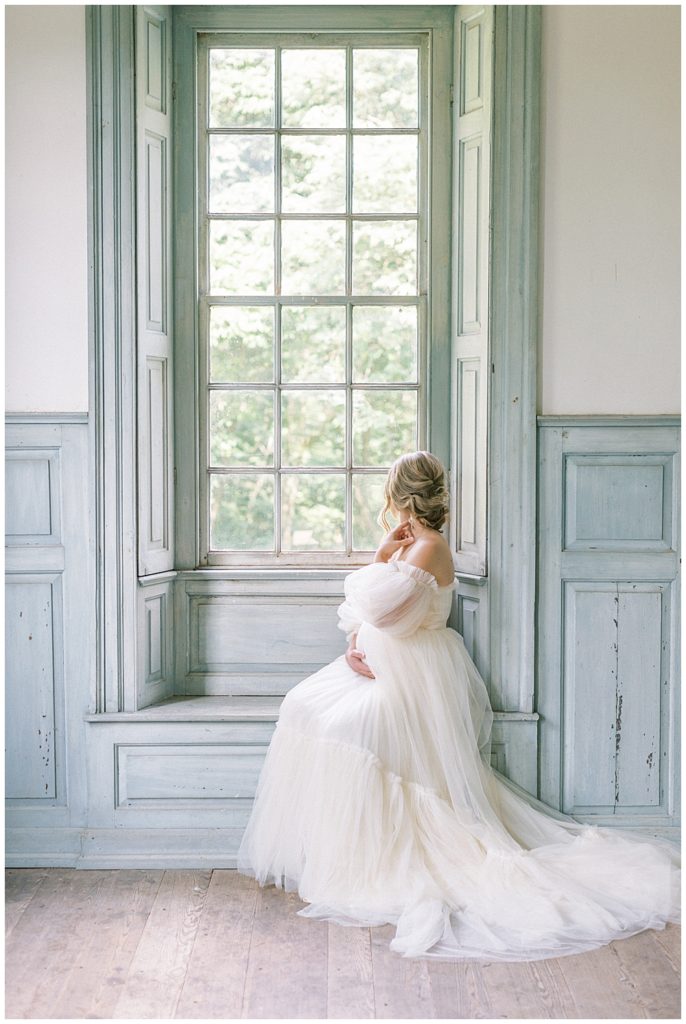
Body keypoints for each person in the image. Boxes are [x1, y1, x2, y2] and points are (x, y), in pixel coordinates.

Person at [236, 451, 680, 960]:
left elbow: (389, 617)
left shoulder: (428, 549)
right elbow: (370, 616)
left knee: (347, 729)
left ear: (399, 496)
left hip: (415, 676)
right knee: (304, 707)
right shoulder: (413, 544)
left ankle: (379, 858)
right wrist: (355, 645)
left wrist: (380, 562)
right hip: (385, 669)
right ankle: (342, 856)